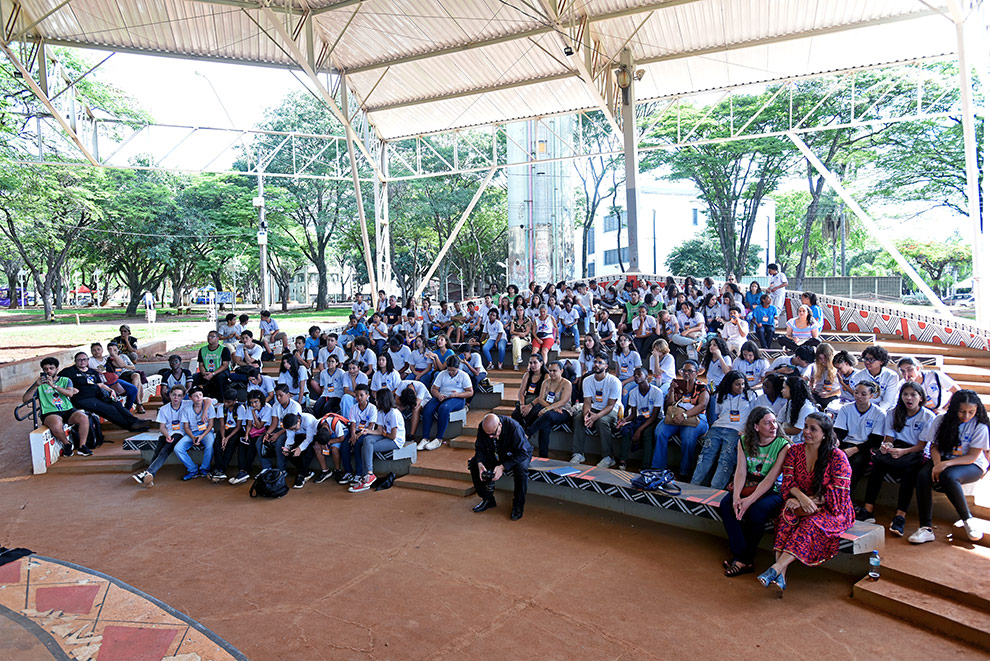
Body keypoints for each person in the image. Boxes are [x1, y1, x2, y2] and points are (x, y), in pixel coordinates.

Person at [757, 413, 854, 593]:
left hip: (833, 509)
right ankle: (781, 575)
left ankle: (776, 568)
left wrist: (811, 501)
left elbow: (838, 493)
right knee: (786, 515)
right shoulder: (795, 451)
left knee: (810, 524)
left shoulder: (837, 457)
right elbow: (788, 482)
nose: (806, 432)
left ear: (824, 433)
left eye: (813, 429)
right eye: (806, 426)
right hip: (802, 502)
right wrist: (800, 498)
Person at [910, 390, 990, 543]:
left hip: (971, 464)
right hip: (944, 459)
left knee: (949, 476)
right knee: (922, 475)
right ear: (954, 409)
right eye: (962, 411)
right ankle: (925, 528)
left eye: (971, 412)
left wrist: (944, 465)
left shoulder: (980, 426)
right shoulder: (941, 420)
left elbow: (972, 456)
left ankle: (967, 519)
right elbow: (934, 446)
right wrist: (938, 463)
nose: (966, 416)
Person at [719, 407, 789, 577]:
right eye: (767, 423)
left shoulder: (782, 445)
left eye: (774, 422)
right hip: (749, 483)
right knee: (727, 505)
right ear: (756, 427)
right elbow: (741, 472)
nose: (774, 426)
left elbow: (771, 479)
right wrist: (736, 497)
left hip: (772, 490)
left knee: (756, 511)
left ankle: (742, 558)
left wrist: (748, 501)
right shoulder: (744, 441)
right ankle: (743, 556)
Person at [859, 381, 935, 535]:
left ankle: (900, 516)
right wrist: (887, 447)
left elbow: (921, 446)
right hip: (897, 447)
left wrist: (902, 452)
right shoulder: (893, 413)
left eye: (913, 395)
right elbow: (889, 438)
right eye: (905, 394)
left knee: (910, 471)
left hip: (913, 451)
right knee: (878, 464)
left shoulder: (928, 416)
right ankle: (868, 510)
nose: (909, 398)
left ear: (921, 398)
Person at [691, 371, 755, 489]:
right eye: (737, 384)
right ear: (730, 384)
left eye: (742, 384)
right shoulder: (720, 394)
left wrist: (747, 431)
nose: (741, 387)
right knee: (706, 456)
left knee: (726, 458)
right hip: (718, 428)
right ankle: (694, 485)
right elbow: (716, 415)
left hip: (736, 430)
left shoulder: (750, 395)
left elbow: (754, 416)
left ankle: (715, 489)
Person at [59, 352, 148, 432]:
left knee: (116, 404)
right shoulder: (69, 371)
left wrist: (110, 390)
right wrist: (70, 388)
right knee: (108, 409)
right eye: (79, 360)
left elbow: (100, 384)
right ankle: (130, 426)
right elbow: (58, 380)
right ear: (75, 361)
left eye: (84, 359)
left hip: (97, 395)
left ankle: (135, 421)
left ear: (88, 361)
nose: (82, 362)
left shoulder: (92, 372)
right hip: (83, 398)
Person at [469, 413, 533, 520]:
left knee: (521, 470)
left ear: (500, 425)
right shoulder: (483, 427)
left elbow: (522, 453)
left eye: (493, 434)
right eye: (488, 434)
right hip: (499, 451)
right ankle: (487, 499)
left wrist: (502, 467)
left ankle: (518, 505)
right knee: (474, 463)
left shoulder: (514, 427)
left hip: (519, 453)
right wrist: (480, 464)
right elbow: (480, 448)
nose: (490, 437)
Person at [652, 360, 710, 477]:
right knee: (660, 432)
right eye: (684, 371)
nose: (686, 374)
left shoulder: (702, 387)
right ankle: (658, 467)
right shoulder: (677, 384)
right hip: (676, 415)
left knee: (688, 437)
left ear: (697, 373)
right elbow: (670, 404)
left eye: (690, 371)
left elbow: (702, 406)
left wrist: (685, 415)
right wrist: (672, 390)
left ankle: (685, 471)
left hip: (696, 418)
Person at [23, 357, 91, 457]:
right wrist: (35, 386)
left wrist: (54, 386)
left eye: (51, 368)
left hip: (67, 409)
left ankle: (82, 446)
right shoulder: (39, 384)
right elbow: (25, 399)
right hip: (49, 411)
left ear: (57, 369)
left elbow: (70, 393)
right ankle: (67, 444)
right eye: (46, 369)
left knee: (84, 418)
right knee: (56, 425)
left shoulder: (65, 380)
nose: (48, 371)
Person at [349, 389, 406, 493]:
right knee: (367, 439)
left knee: (366, 447)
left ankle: (368, 475)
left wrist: (384, 433)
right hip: (385, 435)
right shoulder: (380, 411)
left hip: (395, 440)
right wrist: (367, 431)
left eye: (377, 399)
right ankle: (368, 475)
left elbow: (393, 436)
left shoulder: (394, 413)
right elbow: (379, 431)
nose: (375, 401)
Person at [132, 385, 190, 487]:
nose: (176, 398)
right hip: (168, 433)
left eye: (179, 395)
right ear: (170, 395)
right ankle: (148, 475)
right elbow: (162, 427)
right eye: (174, 395)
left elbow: (209, 400)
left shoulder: (187, 404)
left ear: (183, 396)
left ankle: (148, 473)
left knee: (165, 450)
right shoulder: (164, 409)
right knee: (158, 450)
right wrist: (167, 435)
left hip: (181, 433)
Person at [833, 381, 885, 493]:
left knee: (856, 463)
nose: (858, 396)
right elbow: (839, 431)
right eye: (856, 392)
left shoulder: (879, 413)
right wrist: (836, 440)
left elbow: (875, 440)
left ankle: (846, 497)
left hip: (864, 447)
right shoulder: (846, 409)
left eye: (863, 394)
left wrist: (855, 449)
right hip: (846, 443)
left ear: (871, 396)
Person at [570, 353, 621, 466]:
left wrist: (596, 417)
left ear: (606, 366)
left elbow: (610, 405)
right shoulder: (587, 380)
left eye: (600, 363)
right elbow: (587, 402)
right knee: (578, 418)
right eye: (595, 362)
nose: (596, 365)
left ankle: (608, 457)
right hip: (594, 408)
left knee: (602, 421)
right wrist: (586, 415)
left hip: (611, 410)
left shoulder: (614, 381)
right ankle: (578, 453)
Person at [421, 356, 473, 451]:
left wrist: (457, 394)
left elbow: (470, 392)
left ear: (458, 368)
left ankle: (439, 438)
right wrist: (438, 395)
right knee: (428, 408)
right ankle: (425, 438)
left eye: (453, 370)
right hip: (443, 395)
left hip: (457, 398)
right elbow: (434, 389)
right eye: (449, 370)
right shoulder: (442, 374)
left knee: (444, 409)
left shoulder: (464, 375)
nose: (451, 372)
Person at [617, 367, 663, 472]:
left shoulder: (657, 392)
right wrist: (624, 420)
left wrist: (639, 430)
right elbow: (633, 414)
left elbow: (654, 416)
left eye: (639, 374)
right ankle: (622, 461)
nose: (636, 376)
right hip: (640, 418)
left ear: (646, 377)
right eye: (635, 375)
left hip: (654, 419)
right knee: (626, 430)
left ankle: (645, 466)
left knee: (647, 433)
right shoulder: (633, 392)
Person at [523, 361, 572, 459]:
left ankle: (527, 433)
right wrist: (549, 409)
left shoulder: (567, 383)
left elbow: (563, 402)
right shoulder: (546, 382)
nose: (552, 373)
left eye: (554, 371)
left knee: (548, 416)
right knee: (546, 423)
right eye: (550, 371)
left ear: (561, 371)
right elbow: (540, 399)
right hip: (549, 410)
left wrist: (548, 409)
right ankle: (543, 455)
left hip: (563, 411)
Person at [174, 386, 216, 481]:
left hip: (206, 432)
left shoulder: (209, 406)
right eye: (195, 396)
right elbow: (186, 427)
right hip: (192, 433)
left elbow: (211, 425)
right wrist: (193, 437)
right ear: (190, 398)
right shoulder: (186, 408)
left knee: (210, 445)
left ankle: (205, 468)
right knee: (178, 448)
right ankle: (193, 470)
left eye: (200, 395)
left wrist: (201, 437)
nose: (199, 398)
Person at [339, 384, 378, 484]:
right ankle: (348, 472)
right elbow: (352, 423)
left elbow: (371, 426)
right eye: (357, 395)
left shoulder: (372, 408)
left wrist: (358, 435)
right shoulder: (353, 408)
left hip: (367, 432)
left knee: (358, 445)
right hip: (355, 431)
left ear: (367, 395)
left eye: (361, 395)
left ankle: (359, 473)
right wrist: (353, 435)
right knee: (344, 446)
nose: (359, 398)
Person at [854, 346, 900, 412]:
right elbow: (859, 398)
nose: (867, 362)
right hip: (864, 409)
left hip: (886, 410)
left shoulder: (891, 376)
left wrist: (876, 412)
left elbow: (888, 401)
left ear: (881, 361)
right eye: (866, 359)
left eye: (871, 360)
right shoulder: (858, 376)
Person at [280, 412, 318, 489]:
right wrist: (287, 448)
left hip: (313, 438)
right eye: (292, 429)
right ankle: (305, 472)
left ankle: (301, 475)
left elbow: (309, 439)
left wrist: (300, 448)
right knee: (290, 453)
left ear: (298, 421)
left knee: (306, 453)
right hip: (300, 438)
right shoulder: (290, 424)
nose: (294, 430)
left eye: (294, 428)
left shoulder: (308, 419)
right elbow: (290, 437)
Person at [193, 331, 231, 400]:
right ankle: (198, 398)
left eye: (212, 336)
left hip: (219, 371)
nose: (209, 338)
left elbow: (225, 365)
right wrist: (204, 373)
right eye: (208, 336)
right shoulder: (202, 350)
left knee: (220, 378)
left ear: (217, 338)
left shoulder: (224, 349)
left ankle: (221, 399)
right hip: (207, 372)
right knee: (195, 377)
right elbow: (201, 364)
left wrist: (213, 374)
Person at [512, 354, 547, 429]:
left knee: (532, 414)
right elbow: (521, 392)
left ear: (541, 363)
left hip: (539, 400)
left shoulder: (546, 376)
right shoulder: (527, 375)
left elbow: (543, 395)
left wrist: (531, 405)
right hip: (527, 399)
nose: (532, 365)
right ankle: (519, 434)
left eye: (535, 363)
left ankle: (527, 434)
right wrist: (522, 404)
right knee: (515, 414)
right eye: (531, 363)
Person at [779, 376, 816, 441]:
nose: (782, 391)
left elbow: (796, 430)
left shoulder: (807, 407)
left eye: (784, 388)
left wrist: (777, 431)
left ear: (793, 389)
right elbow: (779, 420)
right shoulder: (790, 402)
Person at [809, 343, 841, 410]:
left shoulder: (838, 368)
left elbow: (843, 389)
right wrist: (812, 388)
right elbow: (811, 382)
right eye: (820, 358)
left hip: (832, 395)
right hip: (818, 394)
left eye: (825, 358)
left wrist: (829, 394)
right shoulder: (815, 367)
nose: (823, 361)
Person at [613, 333, 642, 403]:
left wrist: (623, 382)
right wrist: (616, 380)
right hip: (621, 378)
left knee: (624, 391)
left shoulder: (635, 355)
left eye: (625, 340)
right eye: (620, 341)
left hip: (633, 379)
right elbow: (617, 368)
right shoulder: (616, 353)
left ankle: (623, 411)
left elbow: (638, 374)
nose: (622, 342)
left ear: (629, 342)